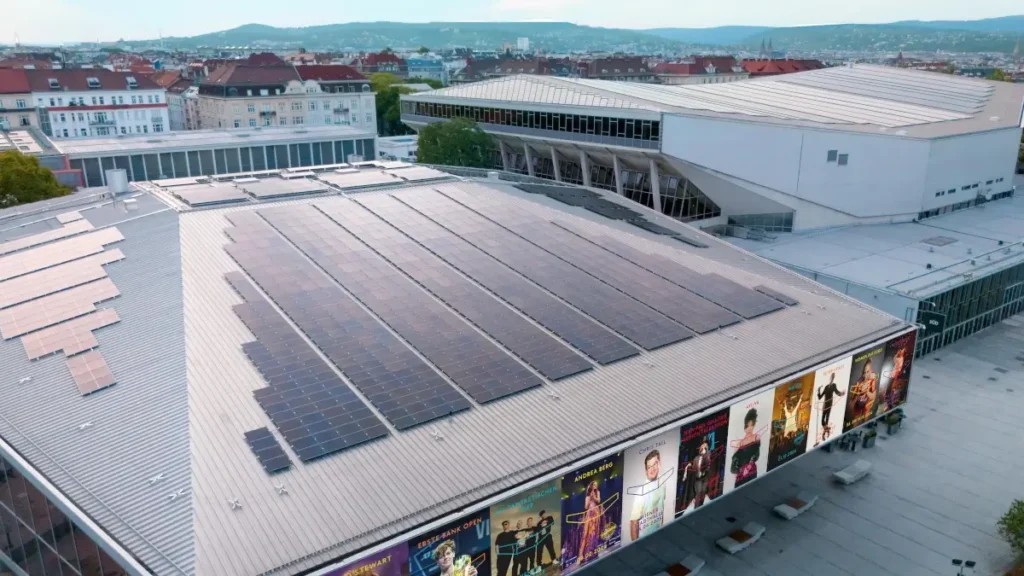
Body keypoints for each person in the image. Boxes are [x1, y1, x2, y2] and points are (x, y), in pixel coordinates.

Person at [629, 449, 665, 541]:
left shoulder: (663, 483)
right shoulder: (641, 493)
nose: (652, 469)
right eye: (649, 467)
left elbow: (661, 508)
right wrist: (636, 549)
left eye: (654, 464)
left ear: (659, 464)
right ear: (646, 470)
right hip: (645, 541)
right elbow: (634, 522)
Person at [730, 408, 761, 488]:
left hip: (752, 471)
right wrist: (740, 469)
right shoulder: (739, 444)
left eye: (752, 425)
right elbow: (733, 467)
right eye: (747, 425)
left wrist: (749, 466)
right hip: (741, 474)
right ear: (745, 426)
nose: (750, 428)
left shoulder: (756, 438)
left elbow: (757, 455)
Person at [575, 481, 603, 567]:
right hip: (589, 514)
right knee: (586, 534)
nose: (595, 486)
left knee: (594, 533)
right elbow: (586, 507)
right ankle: (582, 555)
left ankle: (593, 553)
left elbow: (598, 501)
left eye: (596, 485)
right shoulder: (588, 494)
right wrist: (589, 497)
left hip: (596, 513)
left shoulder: (597, 492)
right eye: (594, 485)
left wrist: (594, 497)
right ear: (591, 485)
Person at [816, 373, 845, 444]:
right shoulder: (826, 387)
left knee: (826, 420)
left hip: (829, 404)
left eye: (833, 377)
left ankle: (824, 435)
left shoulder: (834, 385)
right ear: (829, 378)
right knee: (822, 421)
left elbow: (837, 392)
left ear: (833, 378)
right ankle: (827, 431)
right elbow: (820, 397)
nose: (832, 378)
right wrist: (819, 390)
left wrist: (842, 393)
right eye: (831, 377)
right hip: (824, 405)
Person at [849, 360, 878, 425]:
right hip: (859, 404)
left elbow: (873, 397)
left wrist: (866, 391)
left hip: (867, 403)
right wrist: (856, 395)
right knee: (855, 423)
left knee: (865, 420)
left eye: (868, 372)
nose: (866, 375)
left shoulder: (873, 380)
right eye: (864, 372)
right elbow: (850, 405)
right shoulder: (858, 382)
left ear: (871, 371)